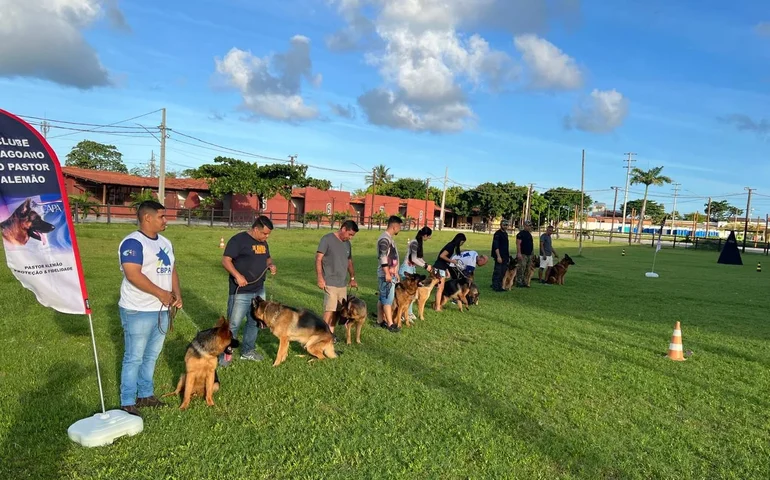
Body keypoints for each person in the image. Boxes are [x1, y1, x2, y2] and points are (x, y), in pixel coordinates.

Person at [117, 200, 182, 417]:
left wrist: (176, 295)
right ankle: (127, 400)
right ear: (147, 218)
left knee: (152, 355)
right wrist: (161, 293)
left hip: (162, 310)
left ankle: (145, 395)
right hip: (137, 309)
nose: (166, 220)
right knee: (134, 356)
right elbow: (133, 274)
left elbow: (171, 269)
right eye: (162, 216)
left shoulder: (165, 242)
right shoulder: (133, 243)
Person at [220, 216, 276, 365]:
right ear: (256, 229)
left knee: (255, 321)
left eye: (268, 234)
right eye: (265, 233)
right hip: (241, 291)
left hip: (259, 290)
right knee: (233, 324)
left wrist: (271, 265)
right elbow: (226, 260)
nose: (266, 236)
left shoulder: (264, 243)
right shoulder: (238, 240)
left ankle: (247, 351)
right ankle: (225, 355)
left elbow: (268, 258)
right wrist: (237, 276)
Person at [316, 220, 359, 336]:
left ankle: (331, 334)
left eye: (352, 236)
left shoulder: (347, 244)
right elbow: (319, 258)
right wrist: (320, 277)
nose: (350, 237)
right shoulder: (327, 239)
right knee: (329, 311)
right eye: (349, 234)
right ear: (343, 229)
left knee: (338, 311)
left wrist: (352, 277)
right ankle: (323, 335)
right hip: (329, 282)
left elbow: (349, 261)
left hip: (342, 283)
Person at [398, 226, 433, 320]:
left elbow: (419, 258)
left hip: (411, 269)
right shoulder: (414, 243)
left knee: (412, 294)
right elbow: (413, 258)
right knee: (405, 294)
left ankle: (408, 313)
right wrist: (425, 266)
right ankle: (402, 314)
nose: (429, 238)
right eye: (429, 236)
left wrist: (426, 265)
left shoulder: (418, 242)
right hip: (406, 269)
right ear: (425, 235)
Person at [376, 215, 403, 332]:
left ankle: (380, 320)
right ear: (394, 226)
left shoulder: (389, 238)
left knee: (382, 297)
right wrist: (387, 273)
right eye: (400, 227)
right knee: (387, 299)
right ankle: (390, 324)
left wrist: (395, 271)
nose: (400, 229)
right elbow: (383, 257)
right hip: (386, 274)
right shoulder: (384, 239)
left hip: (391, 273)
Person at [433, 233, 466, 311]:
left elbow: (443, 259)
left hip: (441, 267)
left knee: (439, 288)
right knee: (440, 288)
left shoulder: (451, 245)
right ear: (459, 240)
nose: (461, 244)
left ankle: (437, 305)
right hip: (439, 268)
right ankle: (437, 307)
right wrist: (452, 261)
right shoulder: (451, 246)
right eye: (462, 242)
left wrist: (447, 270)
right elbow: (442, 256)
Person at [491, 220, 510, 291]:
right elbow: (496, 246)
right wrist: (498, 256)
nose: (505, 226)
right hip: (499, 255)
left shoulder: (505, 234)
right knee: (498, 271)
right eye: (504, 225)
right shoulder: (497, 234)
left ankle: (500, 286)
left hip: (505, 256)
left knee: (503, 272)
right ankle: (495, 286)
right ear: (501, 225)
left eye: (506, 225)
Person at [516, 220, 535, 287]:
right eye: (527, 225)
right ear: (524, 226)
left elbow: (531, 245)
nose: (529, 227)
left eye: (530, 226)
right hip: (523, 254)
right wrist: (519, 253)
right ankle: (519, 281)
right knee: (521, 268)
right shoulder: (520, 234)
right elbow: (518, 244)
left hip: (529, 254)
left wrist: (532, 254)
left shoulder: (529, 234)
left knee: (528, 268)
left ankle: (525, 281)